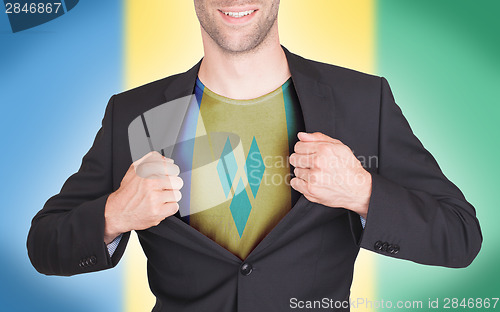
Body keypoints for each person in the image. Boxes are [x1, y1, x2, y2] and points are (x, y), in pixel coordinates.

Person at [27, 1, 482, 311]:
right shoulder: (134, 113)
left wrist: (363, 192)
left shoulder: (363, 100)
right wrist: (114, 214)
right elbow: (44, 245)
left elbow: (460, 236)